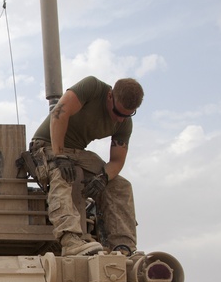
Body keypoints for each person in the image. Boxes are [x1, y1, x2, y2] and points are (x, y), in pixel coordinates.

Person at [29, 76, 142, 256]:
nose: (120, 120)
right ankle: (70, 239)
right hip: (46, 145)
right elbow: (60, 112)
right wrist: (59, 156)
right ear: (110, 96)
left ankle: (123, 247)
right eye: (118, 113)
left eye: (127, 115)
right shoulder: (92, 87)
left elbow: (117, 161)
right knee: (63, 174)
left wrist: (104, 178)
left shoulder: (124, 122)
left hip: (78, 153)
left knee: (120, 185)